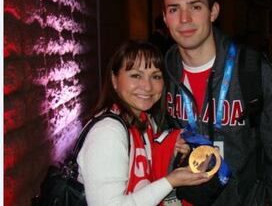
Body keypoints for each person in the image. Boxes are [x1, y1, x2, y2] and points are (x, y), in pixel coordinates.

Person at [159, 0, 272, 205]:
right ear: (165, 17)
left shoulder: (253, 71)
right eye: (174, 9)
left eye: (195, 7)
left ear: (213, 11)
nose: (184, 19)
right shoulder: (161, 75)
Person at [76, 40, 211, 206]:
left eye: (155, 76)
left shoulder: (144, 122)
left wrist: (171, 147)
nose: (147, 87)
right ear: (114, 79)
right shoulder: (108, 133)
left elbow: (149, 158)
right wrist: (171, 182)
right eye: (136, 75)